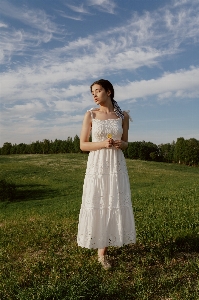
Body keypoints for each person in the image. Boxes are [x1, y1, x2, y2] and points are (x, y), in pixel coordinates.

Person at [77, 79, 136, 269]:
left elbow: (126, 143)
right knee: (99, 202)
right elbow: (83, 145)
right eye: (92, 92)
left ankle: (110, 242)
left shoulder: (122, 116)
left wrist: (121, 144)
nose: (94, 94)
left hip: (116, 165)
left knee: (113, 202)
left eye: (98, 90)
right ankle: (101, 253)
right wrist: (102, 144)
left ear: (109, 92)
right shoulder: (90, 114)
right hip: (97, 165)